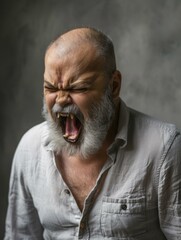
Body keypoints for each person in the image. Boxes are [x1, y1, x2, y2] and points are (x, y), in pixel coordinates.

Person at [4, 27, 181, 240]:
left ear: (113, 86)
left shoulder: (165, 149)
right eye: (51, 88)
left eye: (77, 88)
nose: (60, 100)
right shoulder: (29, 148)